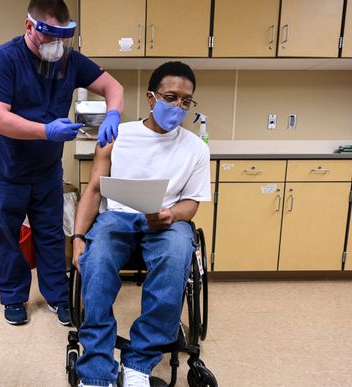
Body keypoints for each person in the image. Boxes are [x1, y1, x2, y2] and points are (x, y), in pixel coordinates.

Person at [0, 0, 124, 326]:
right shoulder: (5, 59)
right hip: (7, 170)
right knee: (6, 235)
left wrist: (113, 111)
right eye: (50, 37)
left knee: (50, 233)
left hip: (46, 171)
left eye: (64, 38)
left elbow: (111, 86)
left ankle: (58, 296)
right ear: (29, 27)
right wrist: (47, 130)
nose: (57, 46)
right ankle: (14, 298)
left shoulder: (68, 60)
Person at [72, 62, 211, 387]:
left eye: (186, 101)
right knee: (97, 260)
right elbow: (94, 189)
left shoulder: (195, 148)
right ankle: (96, 370)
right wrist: (78, 237)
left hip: (167, 220)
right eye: (170, 97)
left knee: (177, 258)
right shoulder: (117, 135)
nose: (178, 106)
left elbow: (191, 203)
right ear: (151, 98)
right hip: (117, 217)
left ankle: (139, 362)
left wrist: (172, 215)